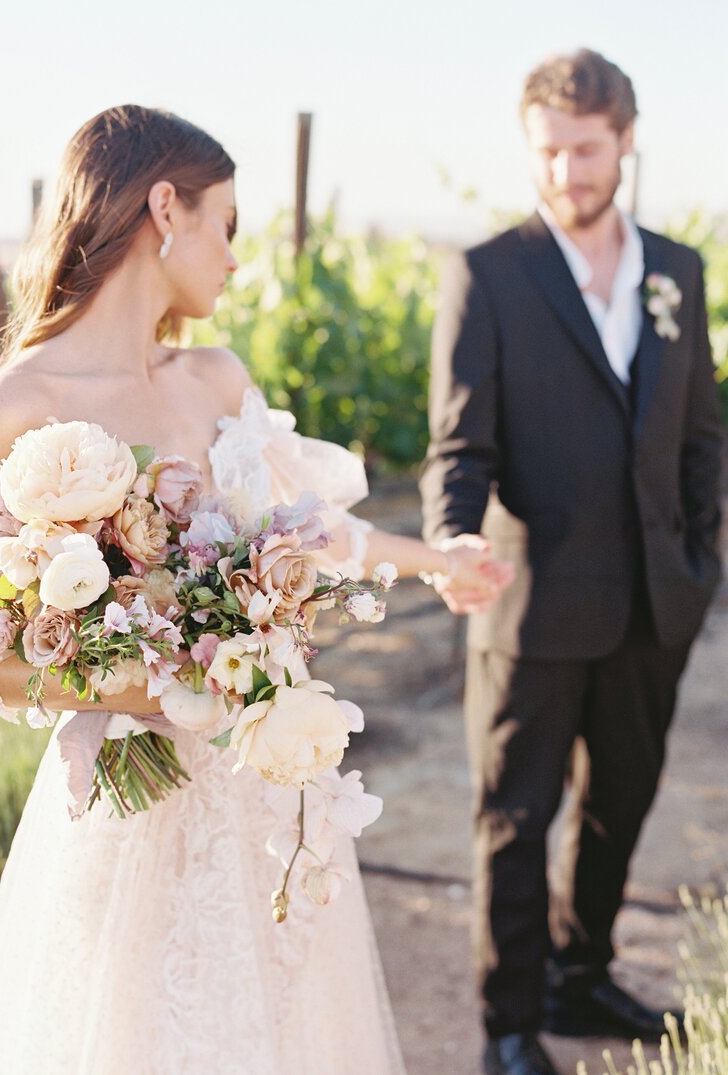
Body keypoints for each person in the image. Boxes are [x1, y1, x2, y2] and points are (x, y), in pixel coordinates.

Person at [0, 104, 513, 1075]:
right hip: (122, 809)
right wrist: (136, 689)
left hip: (261, 797)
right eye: (227, 225)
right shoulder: (17, 406)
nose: (236, 259)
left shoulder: (214, 378)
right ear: (167, 208)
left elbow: (307, 531)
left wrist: (438, 562)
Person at [420, 49, 722, 1075]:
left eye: (583, 150)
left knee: (621, 802)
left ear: (624, 139)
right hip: (529, 600)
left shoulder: (677, 269)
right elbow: (458, 446)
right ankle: (508, 1024)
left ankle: (580, 972)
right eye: (546, 152)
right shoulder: (488, 274)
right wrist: (451, 539)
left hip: (654, 602)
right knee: (513, 818)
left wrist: (698, 549)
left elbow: (698, 433)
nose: (563, 173)